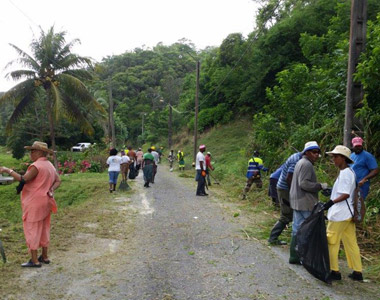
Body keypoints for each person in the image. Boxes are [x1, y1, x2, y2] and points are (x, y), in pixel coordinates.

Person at [0, 141, 61, 267]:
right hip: (46, 201)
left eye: (33, 151)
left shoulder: (36, 166)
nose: (31, 153)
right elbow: (58, 180)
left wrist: (8, 170)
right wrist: (51, 189)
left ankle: (34, 260)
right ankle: (44, 256)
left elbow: (24, 179)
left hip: (34, 202)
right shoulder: (49, 165)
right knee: (44, 228)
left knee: (32, 228)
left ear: (41, 152)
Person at [323, 145, 364, 281]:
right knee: (351, 242)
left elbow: (345, 194)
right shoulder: (349, 172)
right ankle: (357, 271)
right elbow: (343, 191)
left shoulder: (346, 173)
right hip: (347, 214)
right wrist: (331, 191)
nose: (333, 159)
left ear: (343, 158)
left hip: (339, 215)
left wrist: (330, 203)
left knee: (332, 242)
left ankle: (334, 271)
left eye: (335, 157)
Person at [289, 141, 327, 264]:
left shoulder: (300, 162)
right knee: (308, 230)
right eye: (314, 152)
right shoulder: (306, 164)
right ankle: (306, 258)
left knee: (297, 229)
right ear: (307, 153)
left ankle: (294, 257)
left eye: (318, 152)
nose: (317, 155)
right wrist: (320, 186)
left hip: (297, 201)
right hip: (305, 202)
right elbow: (304, 184)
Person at [268, 150, 302, 245]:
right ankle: (273, 238)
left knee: (289, 213)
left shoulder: (296, 157)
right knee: (286, 215)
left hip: (281, 185)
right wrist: (294, 192)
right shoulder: (296, 160)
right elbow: (289, 178)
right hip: (284, 188)